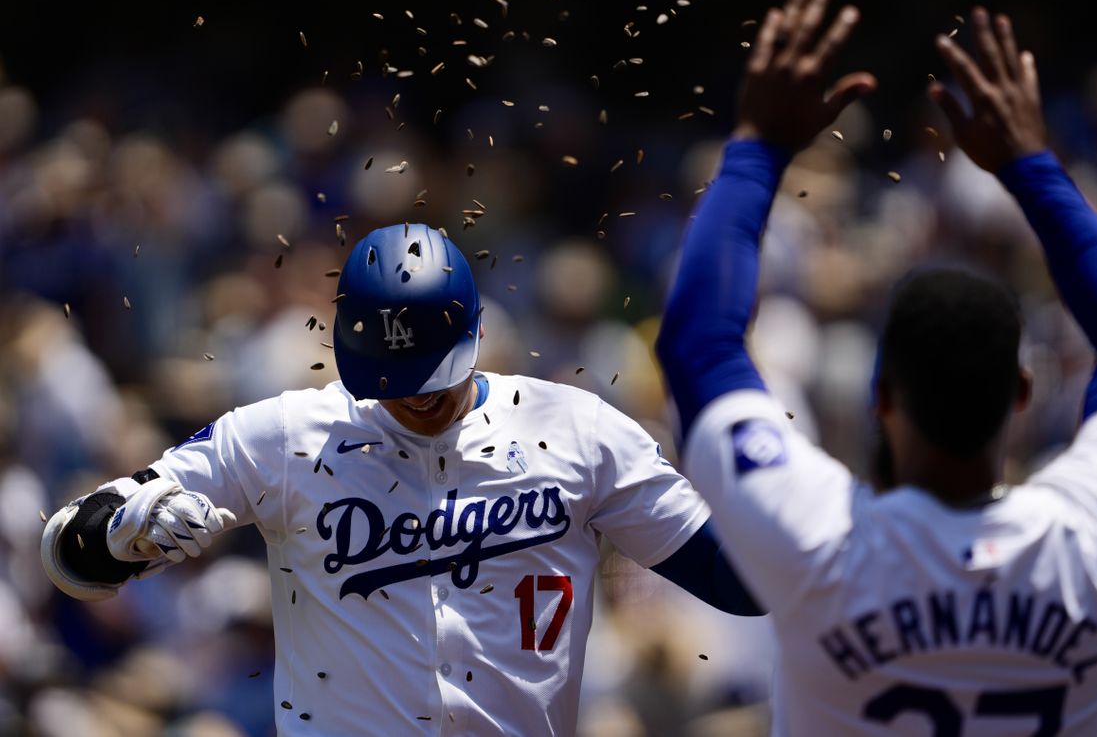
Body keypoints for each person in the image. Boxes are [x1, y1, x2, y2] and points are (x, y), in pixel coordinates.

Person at [656, 0, 1097, 736]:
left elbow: (698, 341)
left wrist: (756, 148)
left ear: (881, 396)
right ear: (1022, 392)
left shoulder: (823, 542)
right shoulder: (1091, 538)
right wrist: (1032, 164)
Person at [40, 222, 763, 735]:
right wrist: (122, 531)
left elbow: (741, 580)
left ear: (477, 333)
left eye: (431, 371)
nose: (416, 393)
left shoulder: (575, 428)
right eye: (393, 376)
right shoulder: (286, 434)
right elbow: (70, 551)